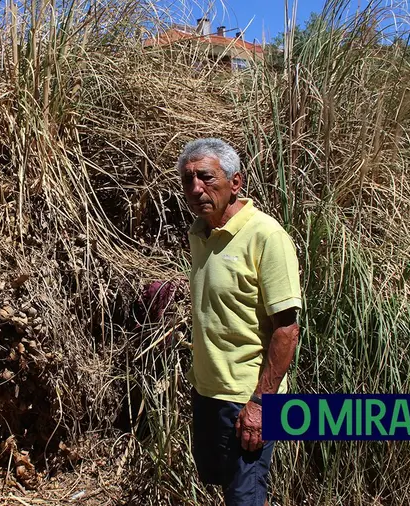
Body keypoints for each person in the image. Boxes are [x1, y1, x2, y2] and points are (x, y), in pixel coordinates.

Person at [179, 138, 301, 506]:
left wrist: (260, 405)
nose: (197, 188)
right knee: (224, 486)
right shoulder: (200, 234)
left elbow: (287, 328)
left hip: (250, 399)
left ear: (236, 183)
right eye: (188, 180)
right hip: (209, 394)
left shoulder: (266, 236)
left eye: (206, 177)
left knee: (245, 496)